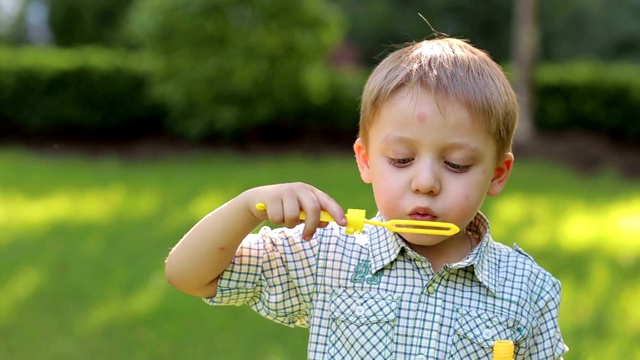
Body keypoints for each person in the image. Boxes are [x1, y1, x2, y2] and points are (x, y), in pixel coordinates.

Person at [165, 37, 568, 359]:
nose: (425, 182)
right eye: (401, 159)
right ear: (366, 161)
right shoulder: (326, 256)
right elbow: (189, 275)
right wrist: (247, 207)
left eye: (457, 164)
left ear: (497, 174)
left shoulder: (528, 291)